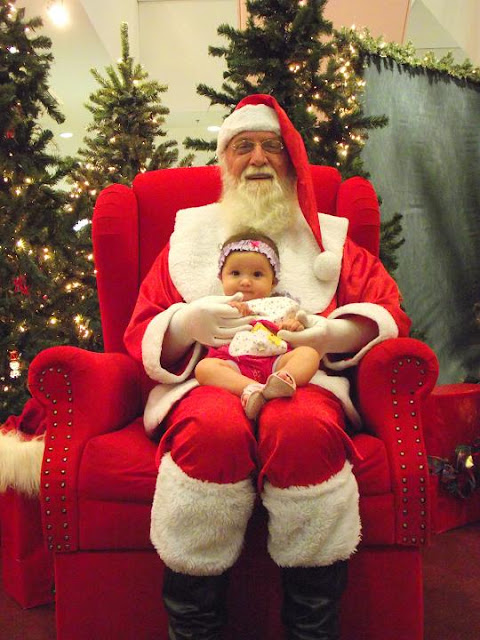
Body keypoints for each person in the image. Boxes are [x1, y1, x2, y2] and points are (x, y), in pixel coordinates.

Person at [124, 93, 411, 639]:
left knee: (301, 427)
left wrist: (331, 332)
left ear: (289, 160)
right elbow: (143, 325)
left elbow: (388, 308)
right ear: (223, 161)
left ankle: (312, 630)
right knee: (211, 430)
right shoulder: (187, 238)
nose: (257, 159)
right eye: (242, 147)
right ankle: (196, 629)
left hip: (301, 379)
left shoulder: (328, 238)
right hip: (210, 379)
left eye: (270, 147)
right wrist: (186, 325)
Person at [195, 231, 321, 420]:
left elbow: (300, 328)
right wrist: (231, 311)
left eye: (257, 274)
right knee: (204, 368)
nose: (245, 282)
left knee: (309, 354)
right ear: (221, 277)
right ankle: (253, 389)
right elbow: (203, 330)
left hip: (275, 362)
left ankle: (281, 381)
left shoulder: (282, 304)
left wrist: (293, 325)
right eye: (235, 273)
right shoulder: (217, 304)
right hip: (233, 363)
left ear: (273, 282)